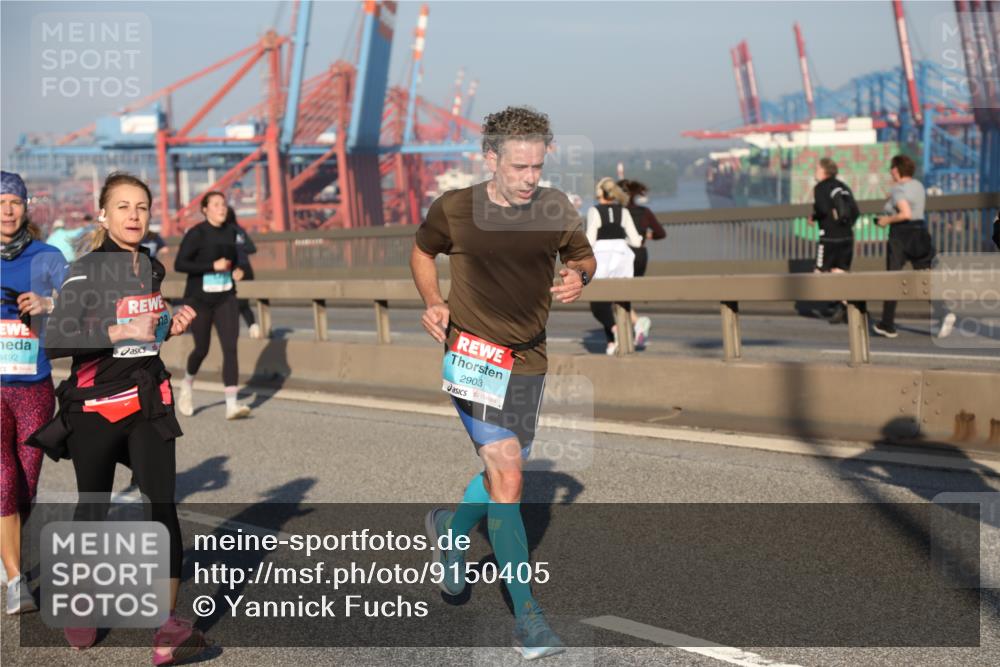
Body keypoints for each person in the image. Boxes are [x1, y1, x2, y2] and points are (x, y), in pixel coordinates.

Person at [411, 106, 595, 659]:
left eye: (538, 166)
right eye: (519, 167)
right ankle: (528, 620)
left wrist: (577, 278)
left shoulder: (554, 207)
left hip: (529, 359)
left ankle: (451, 526)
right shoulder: (456, 209)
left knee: (505, 469)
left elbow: (582, 256)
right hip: (471, 356)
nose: (530, 178)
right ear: (489, 159)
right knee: (510, 474)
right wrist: (434, 301)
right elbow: (422, 251)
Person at [35, 172, 206, 660]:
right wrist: (118, 329)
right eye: (124, 207)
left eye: (142, 207)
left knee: (162, 506)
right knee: (94, 509)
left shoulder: (151, 267)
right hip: (95, 411)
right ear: (103, 215)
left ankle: (167, 627)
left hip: (148, 402)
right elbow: (59, 340)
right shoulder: (88, 269)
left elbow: (144, 334)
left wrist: (169, 326)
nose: (134, 216)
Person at [0, 171, 67, 613]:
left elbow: (84, 299)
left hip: (35, 385)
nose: (7, 210)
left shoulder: (47, 256)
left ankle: (9, 557)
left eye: (14, 202)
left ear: (27, 207)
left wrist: (48, 304)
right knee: (3, 478)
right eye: (0, 201)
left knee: (25, 485)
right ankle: (13, 579)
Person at [174, 191, 251, 419]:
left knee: (231, 347)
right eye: (216, 204)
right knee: (202, 348)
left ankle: (232, 405)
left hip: (226, 296)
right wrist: (212, 266)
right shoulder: (196, 234)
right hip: (200, 299)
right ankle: (187, 384)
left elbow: (241, 259)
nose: (222, 208)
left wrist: (240, 270)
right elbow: (180, 264)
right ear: (205, 209)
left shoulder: (233, 232)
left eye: (224, 204)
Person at [872, 154, 955, 339]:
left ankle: (887, 324)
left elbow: (905, 213)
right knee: (924, 277)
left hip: (901, 235)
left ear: (896, 170)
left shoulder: (898, 190)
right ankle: (943, 311)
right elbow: (912, 206)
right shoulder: (917, 185)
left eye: (891, 169)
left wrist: (886, 220)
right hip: (920, 233)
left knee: (892, 279)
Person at [586, 177, 643, 355]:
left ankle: (614, 329)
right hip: (622, 257)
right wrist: (619, 240)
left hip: (602, 259)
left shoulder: (594, 211)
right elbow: (636, 241)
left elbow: (590, 239)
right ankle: (613, 343)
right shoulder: (623, 212)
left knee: (598, 304)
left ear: (600, 193)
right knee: (618, 301)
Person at [809, 157, 858, 324]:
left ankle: (836, 302)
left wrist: (814, 216)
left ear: (824, 171)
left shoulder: (820, 187)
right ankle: (844, 304)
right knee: (840, 271)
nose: (815, 171)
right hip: (847, 236)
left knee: (820, 272)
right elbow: (855, 211)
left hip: (829, 236)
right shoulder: (843, 186)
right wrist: (845, 226)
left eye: (817, 168)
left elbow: (822, 209)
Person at [618, 178, 665, 346]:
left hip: (624, 255)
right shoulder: (645, 212)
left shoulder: (618, 212)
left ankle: (637, 324)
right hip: (641, 255)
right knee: (624, 295)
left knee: (613, 294)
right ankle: (627, 334)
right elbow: (660, 233)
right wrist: (646, 235)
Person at [225, 206, 260, 339]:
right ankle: (253, 326)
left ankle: (232, 331)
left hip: (234, 269)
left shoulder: (224, 232)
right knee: (243, 302)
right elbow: (252, 249)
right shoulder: (240, 231)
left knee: (231, 302)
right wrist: (241, 248)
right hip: (247, 269)